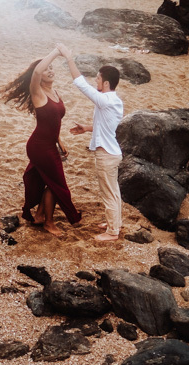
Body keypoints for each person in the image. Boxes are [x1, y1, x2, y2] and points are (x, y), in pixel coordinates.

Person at [0, 46, 82, 236]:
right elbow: (36, 72)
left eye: (52, 68)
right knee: (57, 184)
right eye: (46, 69)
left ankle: (38, 216)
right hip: (40, 147)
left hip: (49, 145)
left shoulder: (55, 92)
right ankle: (49, 223)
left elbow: (52, 121)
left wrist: (59, 140)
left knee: (50, 182)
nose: (50, 71)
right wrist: (56, 52)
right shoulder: (37, 92)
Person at [57, 43, 123, 242]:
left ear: (106, 83)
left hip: (106, 155)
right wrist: (86, 128)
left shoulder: (106, 100)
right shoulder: (112, 100)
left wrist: (69, 58)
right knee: (113, 191)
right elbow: (106, 127)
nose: (95, 81)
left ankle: (112, 232)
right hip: (112, 153)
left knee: (108, 193)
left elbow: (81, 85)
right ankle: (115, 223)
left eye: (98, 78)